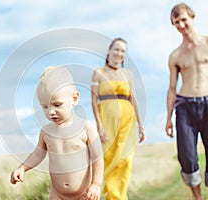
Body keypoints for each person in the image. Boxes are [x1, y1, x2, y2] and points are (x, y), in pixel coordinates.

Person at [10, 66, 104, 200]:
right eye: (45, 106)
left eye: (57, 105)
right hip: (57, 195)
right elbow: (37, 154)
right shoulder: (46, 132)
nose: (50, 112)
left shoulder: (86, 128)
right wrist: (22, 168)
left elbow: (98, 159)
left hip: (84, 195)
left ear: (74, 99)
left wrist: (95, 185)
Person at [165, 3, 208, 200]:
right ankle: (198, 198)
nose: (181, 25)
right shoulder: (175, 55)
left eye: (183, 20)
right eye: (176, 22)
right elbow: (172, 89)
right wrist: (168, 118)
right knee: (187, 157)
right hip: (185, 107)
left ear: (192, 17)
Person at [91, 38, 145, 199]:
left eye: (122, 51)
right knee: (108, 158)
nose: (119, 53)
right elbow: (94, 100)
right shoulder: (98, 73)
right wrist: (99, 126)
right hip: (107, 119)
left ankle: (119, 197)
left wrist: (141, 126)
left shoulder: (128, 74)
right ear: (109, 50)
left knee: (126, 160)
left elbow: (133, 99)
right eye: (116, 49)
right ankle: (108, 195)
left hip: (127, 122)